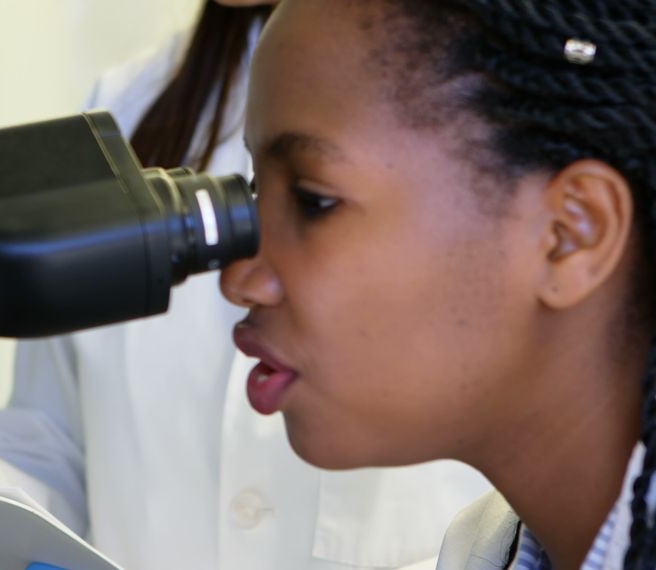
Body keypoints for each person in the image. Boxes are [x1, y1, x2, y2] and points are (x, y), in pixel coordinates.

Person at [0, 2, 490, 569]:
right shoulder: (127, 106)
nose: (239, 284)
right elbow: (49, 445)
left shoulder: (480, 87)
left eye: (317, 202)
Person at [221, 0, 656, 567]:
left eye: (313, 201)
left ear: (568, 234)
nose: (241, 279)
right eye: (257, 193)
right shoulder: (480, 550)